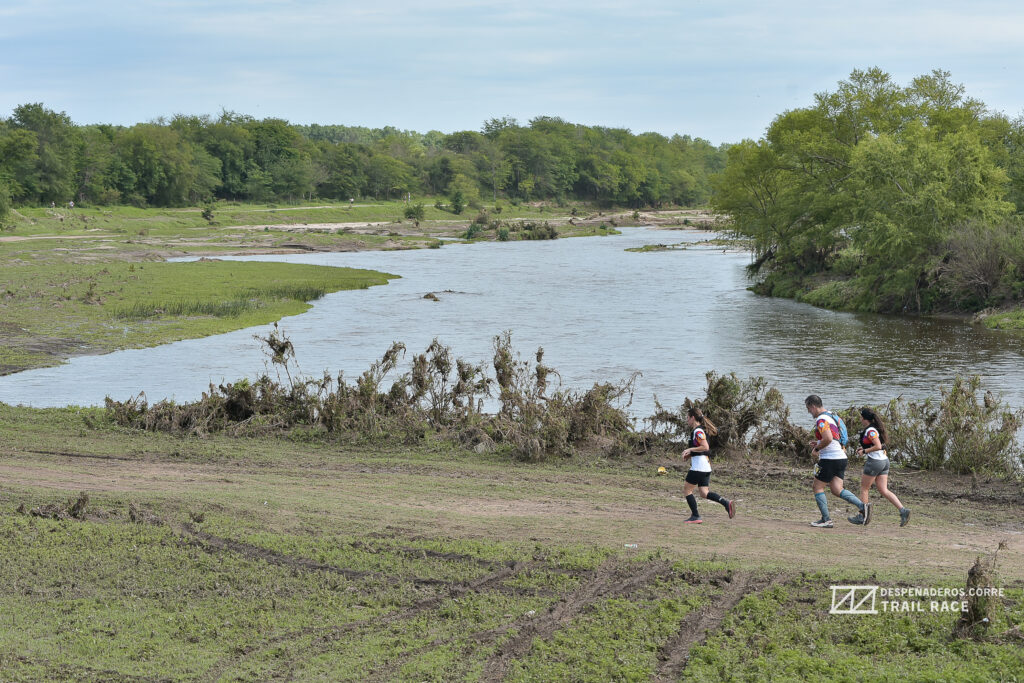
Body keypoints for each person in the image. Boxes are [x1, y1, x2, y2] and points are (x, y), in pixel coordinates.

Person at [805, 395, 866, 528]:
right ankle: (863, 507)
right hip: (841, 457)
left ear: (813, 406)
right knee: (837, 489)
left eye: (808, 409)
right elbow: (833, 437)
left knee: (817, 487)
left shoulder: (821, 419)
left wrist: (817, 448)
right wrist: (819, 442)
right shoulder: (831, 415)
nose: (809, 412)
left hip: (830, 459)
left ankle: (826, 520)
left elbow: (828, 438)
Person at [852, 407, 910, 527]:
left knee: (864, 488)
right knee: (883, 490)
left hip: (875, 462)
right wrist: (864, 448)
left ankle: (863, 516)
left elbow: (878, 446)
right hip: (884, 461)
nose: (860, 419)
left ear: (864, 418)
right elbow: (876, 445)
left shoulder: (870, 431)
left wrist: (864, 451)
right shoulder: (873, 429)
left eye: (861, 417)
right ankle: (903, 510)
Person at [681, 407, 736, 524]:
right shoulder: (700, 430)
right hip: (705, 467)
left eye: (687, 418)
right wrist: (690, 455)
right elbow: (701, 449)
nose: (687, 420)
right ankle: (726, 503)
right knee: (704, 493)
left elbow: (705, 447)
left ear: (693, 418)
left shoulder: (698, 431)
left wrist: (689, 449)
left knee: (687, 490)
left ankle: (695, 516)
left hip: (698, 467)